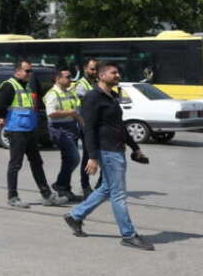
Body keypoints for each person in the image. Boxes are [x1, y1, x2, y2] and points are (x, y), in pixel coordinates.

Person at [63, 62, 154, 251]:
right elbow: (88, 129)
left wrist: (135, 148)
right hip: (107, 151)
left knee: (106, 188)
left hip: (117, 149)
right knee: (118, 194)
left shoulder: (112, 96)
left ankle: (75, 216)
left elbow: (119, 125)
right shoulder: (92, 97)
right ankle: (128, 235)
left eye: (118, 73)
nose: (118, 75)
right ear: (102, 75)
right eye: (114, 73)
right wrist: (92, 157)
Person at [0, 59, 65, 208]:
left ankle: (47, 195)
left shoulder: (26, 86)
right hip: (16, 130)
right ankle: (13, 197)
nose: (30, 73)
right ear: (18, 71)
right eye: (27, 71)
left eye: (31, 71)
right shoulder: (9, 85)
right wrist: (2, 118)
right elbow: (1, 106)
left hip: (30, 129)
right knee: (15, 164)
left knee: (37, 162)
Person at [43, 68, 83, 203]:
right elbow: (51, 113)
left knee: (68, 160)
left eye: (71, 76)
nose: (70, 79)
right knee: (74, 158)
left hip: (71, 128)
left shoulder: (68, 92)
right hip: (59, 129)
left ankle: (65, 189)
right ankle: (60, 184)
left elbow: (75, 111)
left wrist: (82, 123)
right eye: (67, 77)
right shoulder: (53, 94)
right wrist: (69, 113)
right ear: (57, 79)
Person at [71, 58, 99, 197]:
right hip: (84, 125)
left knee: (100, 155)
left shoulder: (95, 83)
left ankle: (100, 185)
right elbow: (88, 101)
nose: (94, 71)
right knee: (88, 156)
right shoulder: (81, 85)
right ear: (85, 69)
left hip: (95, 124)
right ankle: (85, 186)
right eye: (92, 69)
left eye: (96, 69)